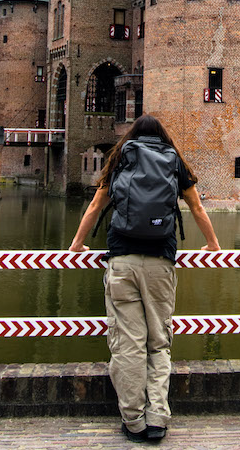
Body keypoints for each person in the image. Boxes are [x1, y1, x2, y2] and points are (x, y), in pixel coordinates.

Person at [68, 114, 220, 443]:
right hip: (160, 261)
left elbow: (96, 205)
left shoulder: (120, 157)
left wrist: (78, 243)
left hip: (121, 260)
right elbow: (196, 207)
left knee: (128, 346)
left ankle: (133, 420)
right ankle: (158, 419)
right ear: (163, 135)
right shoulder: (173, 159)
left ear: (132, 134)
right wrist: (213, 244)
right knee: (159, 343)